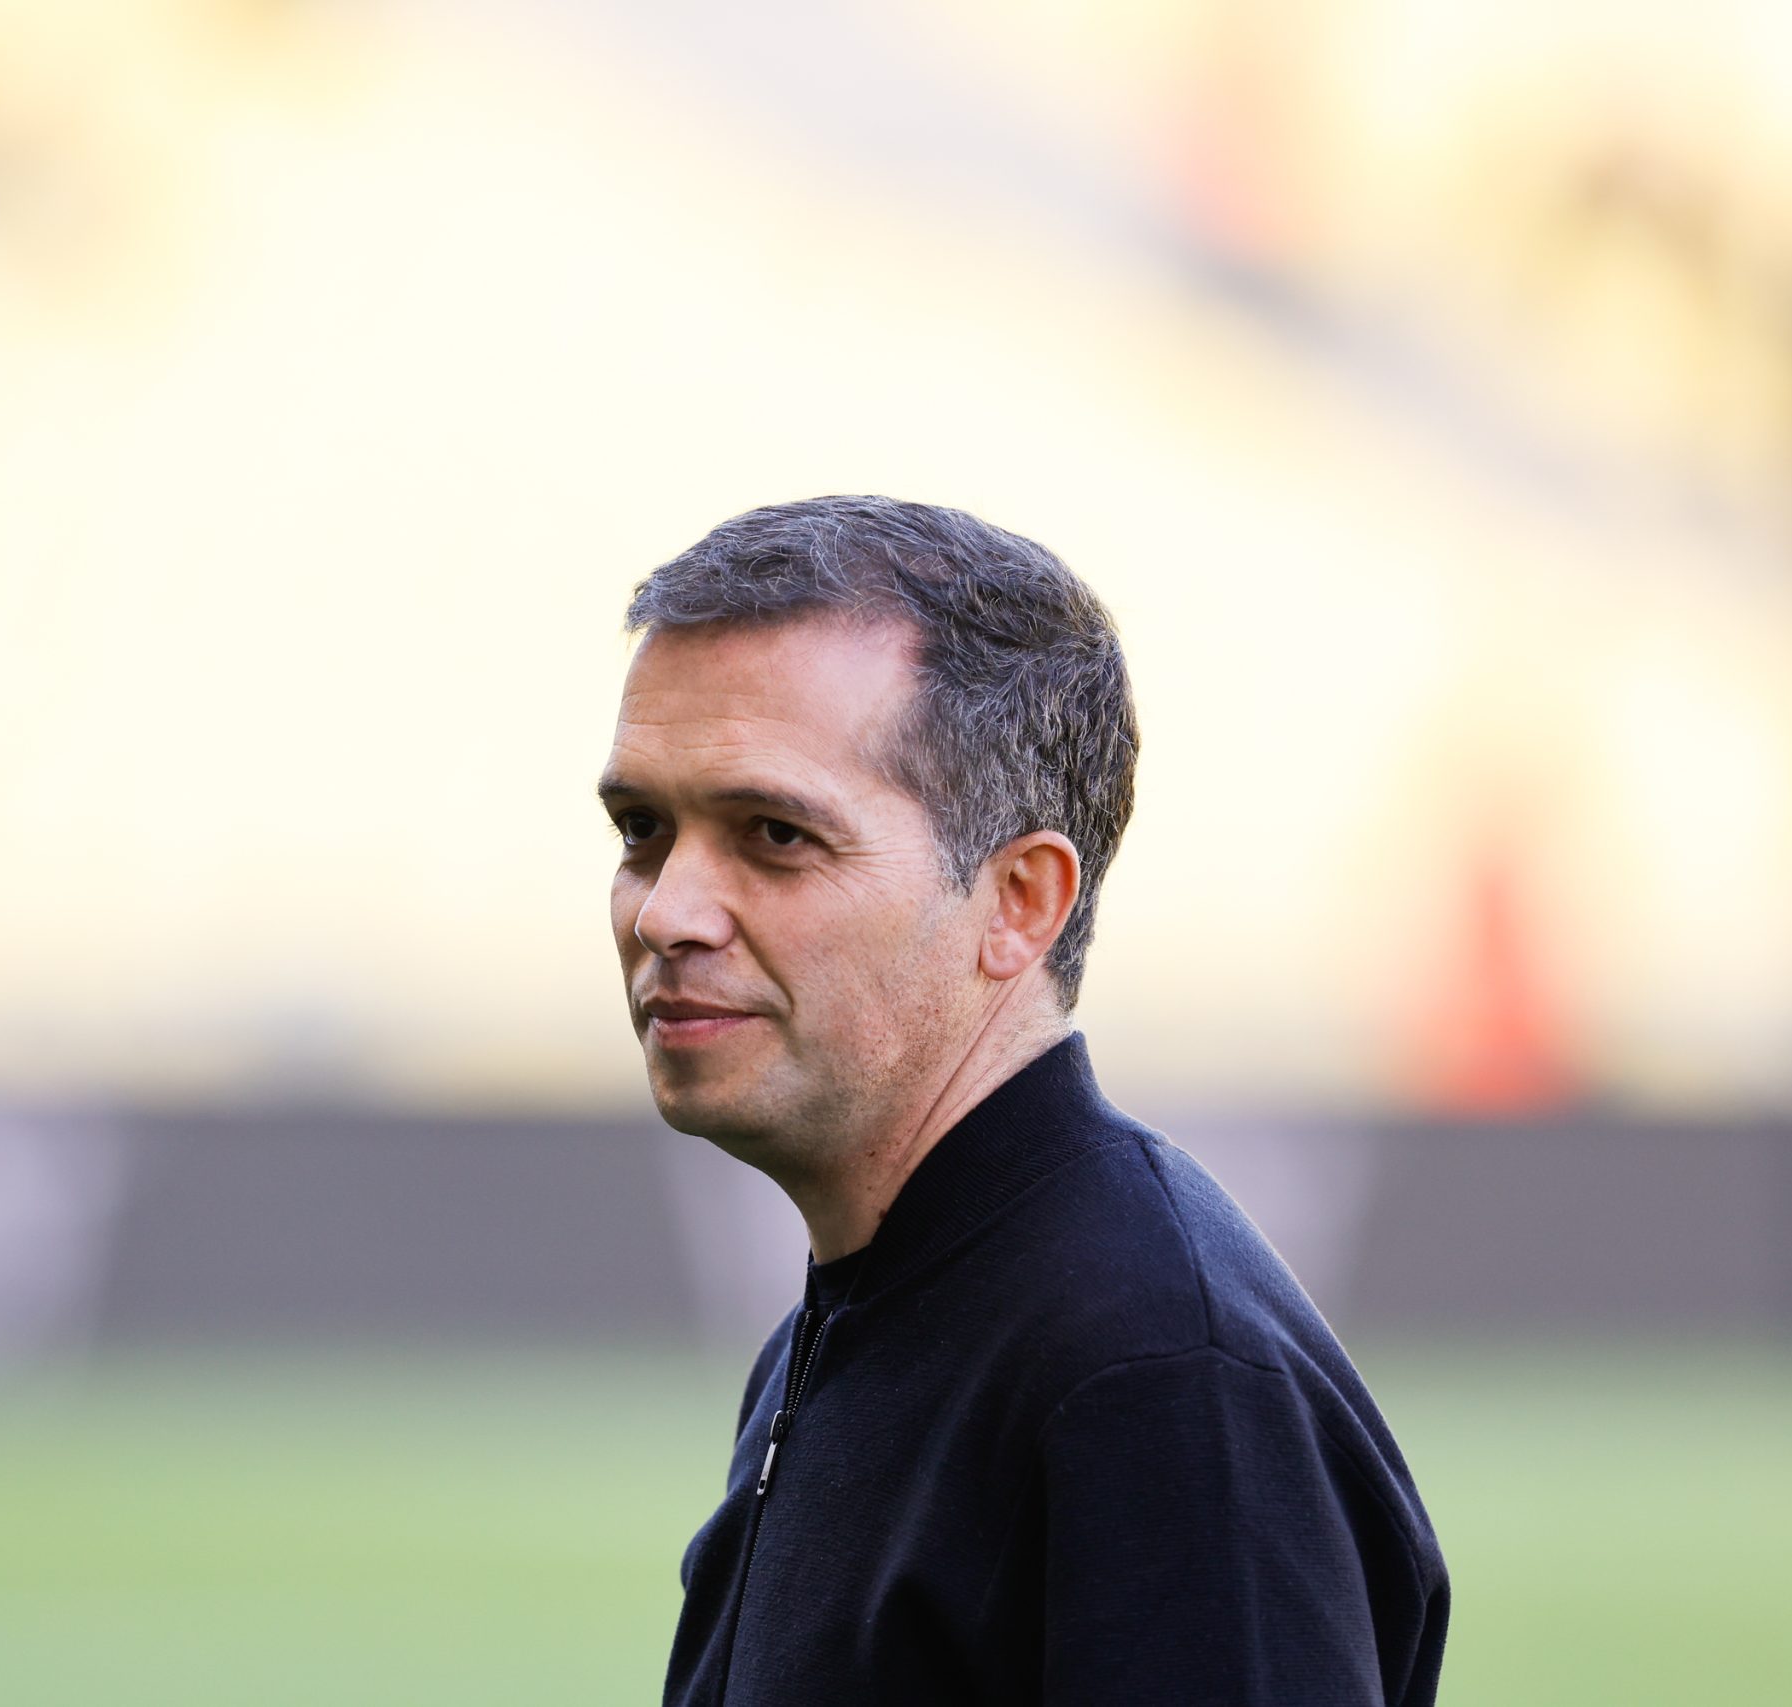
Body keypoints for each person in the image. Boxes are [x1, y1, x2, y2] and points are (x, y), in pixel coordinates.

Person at [600, 496, 1449, 1705]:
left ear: (1018, 903)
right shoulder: (865, 1316)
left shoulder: (1154, 1379)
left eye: (774, 834)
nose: (665, 912)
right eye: (642, 829)